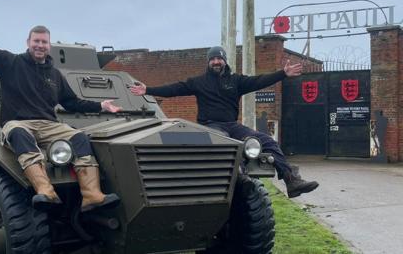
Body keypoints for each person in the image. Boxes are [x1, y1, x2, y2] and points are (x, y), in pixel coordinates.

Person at [0, 5, 120, 212]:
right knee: (18, 133)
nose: (40, 45)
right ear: (28, 43)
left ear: (49, 46)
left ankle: (92, 196)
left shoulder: (55, 75)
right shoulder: (10, 63)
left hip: (48, 125)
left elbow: (72, 102)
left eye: (44, 42)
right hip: (18, 123)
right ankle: (45, 191)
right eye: (36, 41)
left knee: (79, 137)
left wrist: (100, 105)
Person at [130, 46, 319, 198]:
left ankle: (291, 181)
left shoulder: (235, 81)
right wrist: (148, 90)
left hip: (232, 125)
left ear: (224, 60)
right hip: (211, 126)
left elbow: (259, 81)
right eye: (212, 59)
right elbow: (174, 89)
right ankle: (241, 179)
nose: (215, 62)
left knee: (266, 141)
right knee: (226, 142)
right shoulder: (199, 82)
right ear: (208, 62)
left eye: (218, 58)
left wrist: (282, 74)